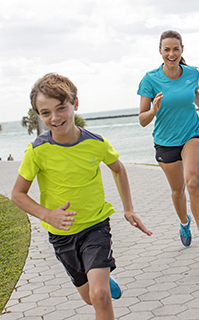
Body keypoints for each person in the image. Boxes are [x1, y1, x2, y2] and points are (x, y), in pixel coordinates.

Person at [11, 73, 152, 320]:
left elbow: (118, 168)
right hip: (62, 237)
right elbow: (17, 194)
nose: (54, 118)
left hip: (95, 227)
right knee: (89, 297)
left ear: (75, 104)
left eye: (61, 108)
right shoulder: (37, 151)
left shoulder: (95, 143)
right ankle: (102, 280)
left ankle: (102, 281)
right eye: (45, 113)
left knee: (100, 296)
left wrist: (128, 208)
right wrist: (47, 215)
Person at [137, 30, 199, 254]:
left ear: (182, 50)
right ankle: (184, 223)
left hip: (191, 134)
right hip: (166, 142)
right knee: (178, 190)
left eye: (176, 48)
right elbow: (142, 120)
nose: (171, 53)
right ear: (160, 52)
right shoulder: (150, 79)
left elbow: (194, 93)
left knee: (193, 180)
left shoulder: (192, 73)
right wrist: (154, 110)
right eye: (167, 49)